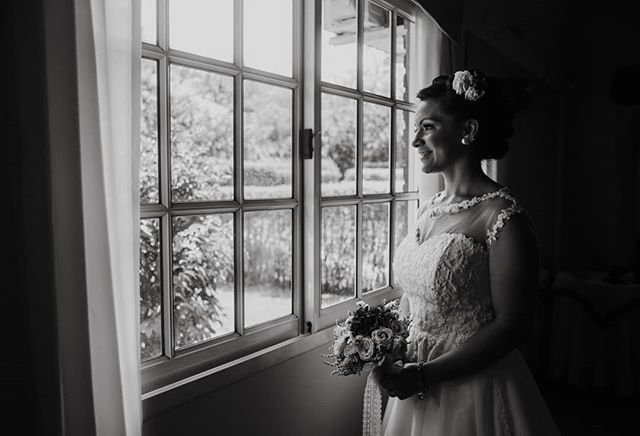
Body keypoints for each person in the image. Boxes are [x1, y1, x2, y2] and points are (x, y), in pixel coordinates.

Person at [372, 70, 561, 435]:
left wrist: (426, 374)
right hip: (414, 382)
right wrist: (390, 346)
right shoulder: (429, 208)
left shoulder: (504, 219)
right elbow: (414, 296)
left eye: (426, 127)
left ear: (468, 131)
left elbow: (513, 327)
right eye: (415, 128)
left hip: (473, 391)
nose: (414, 140)